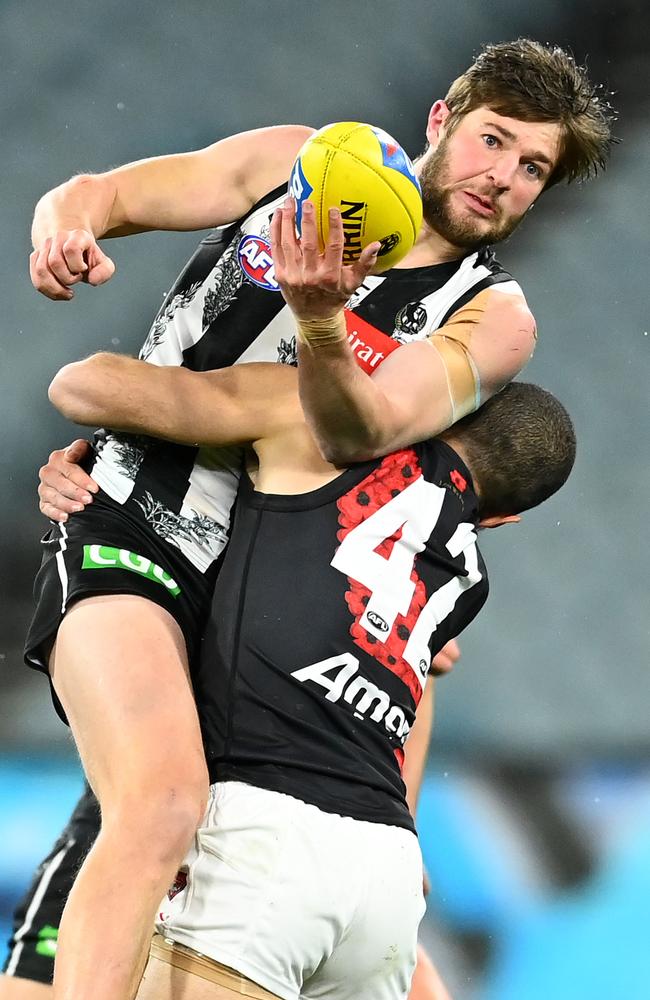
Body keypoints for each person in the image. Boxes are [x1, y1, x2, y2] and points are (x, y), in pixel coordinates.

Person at [16, 37, 611, 1000]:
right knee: (164, 809)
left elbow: (361, 426)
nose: (501, 177)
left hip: (271, 598)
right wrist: (65, 226)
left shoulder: (489, 316)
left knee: (239, 861)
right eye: (493, 140)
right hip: (125, 514)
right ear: (442, 122)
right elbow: (104, 194)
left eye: (532, 167)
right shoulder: (305, 161)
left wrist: (322, 319)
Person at [43, 348, 575, 1000]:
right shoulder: (466, 582)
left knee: (143, 827)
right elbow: (416, 678)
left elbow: (83, 385)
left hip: (265, 834)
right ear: (502, 518)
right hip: (388, 866)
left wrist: (111, 466)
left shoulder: (318, 436)